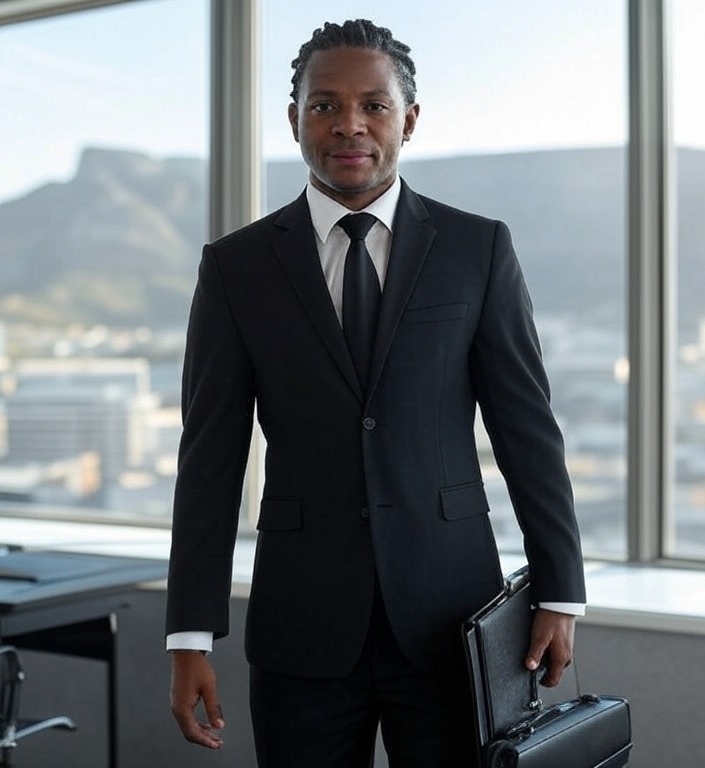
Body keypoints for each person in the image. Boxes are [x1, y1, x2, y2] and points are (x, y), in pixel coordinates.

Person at [166, 18, 586, 768]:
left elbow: (527, 427)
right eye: (324, 105)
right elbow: (209, 456)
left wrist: (561, 589)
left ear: (409, 119)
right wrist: (190, 634)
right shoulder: (235, 268)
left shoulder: (476, 248)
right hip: (301, 625)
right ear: (294, 119)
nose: (349, 124)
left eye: (374, 105)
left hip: (452, 620)